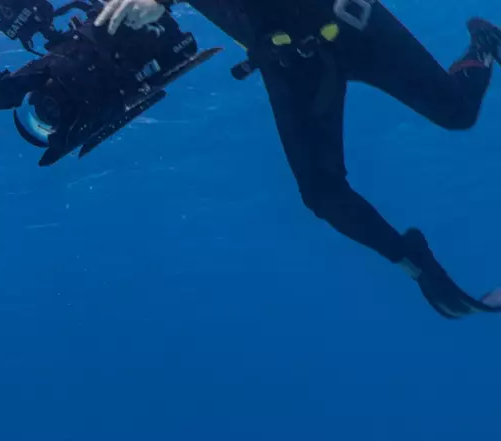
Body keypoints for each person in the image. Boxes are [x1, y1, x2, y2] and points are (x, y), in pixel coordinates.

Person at [96, 0, 501, 318]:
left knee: (457, 113)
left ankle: (484, 45)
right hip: (289, 64)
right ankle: (413, 264)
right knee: (322, 194)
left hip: (352, 24)